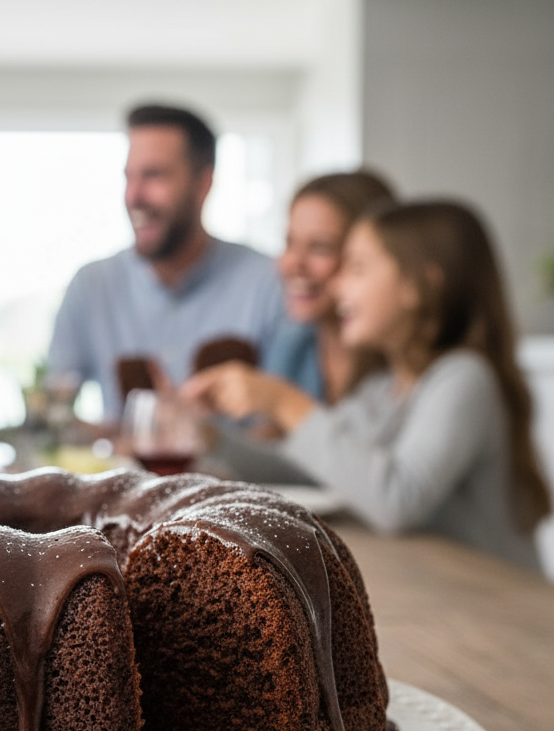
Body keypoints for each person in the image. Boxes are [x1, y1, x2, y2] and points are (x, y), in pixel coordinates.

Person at [182, 199, 551, 570]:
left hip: (506, 612)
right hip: (447, 601)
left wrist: (285, 403)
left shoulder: (465, 378)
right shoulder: (380, 389)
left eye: (356, 268)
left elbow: (397, 500)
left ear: (417, 286)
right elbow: (310, 467)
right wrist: (208, 437)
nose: (339, 286)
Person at [47, 103, 290, 418]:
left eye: (153, 175)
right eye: (129, 177)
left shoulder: (269, 283)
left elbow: (289, 426)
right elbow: (53, 414)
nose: (133, 196)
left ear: (202, 185)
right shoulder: (90, 285)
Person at [263, 170, 396, 402]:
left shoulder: (404, 363)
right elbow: (272, 436)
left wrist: (283, 403)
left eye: (320, 247)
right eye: (289, 243)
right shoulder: (291, 345)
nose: (293, 264)